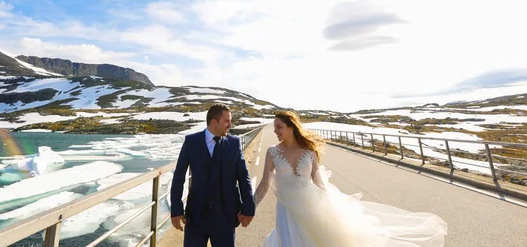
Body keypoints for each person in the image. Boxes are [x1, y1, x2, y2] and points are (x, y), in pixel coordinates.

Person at [253, 111, 448, 247]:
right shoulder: (272, 153)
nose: (275, 131)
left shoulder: (309, 152)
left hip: (311, 207)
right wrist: (249, 206)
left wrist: (330, 207)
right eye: (274, 128)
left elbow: (319, 183)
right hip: (286, 209)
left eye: (279, 127)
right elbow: (264, 184)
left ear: (291, 127)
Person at [170, 103, 255, 247]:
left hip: (225, 217)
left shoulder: (234, 143)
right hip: (196, 217)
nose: (230, 124)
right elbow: (179, 177)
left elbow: (243, 177)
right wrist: (176, 210)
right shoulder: (191, 142)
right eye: (227, 120)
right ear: (214, 122)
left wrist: (248, 207)